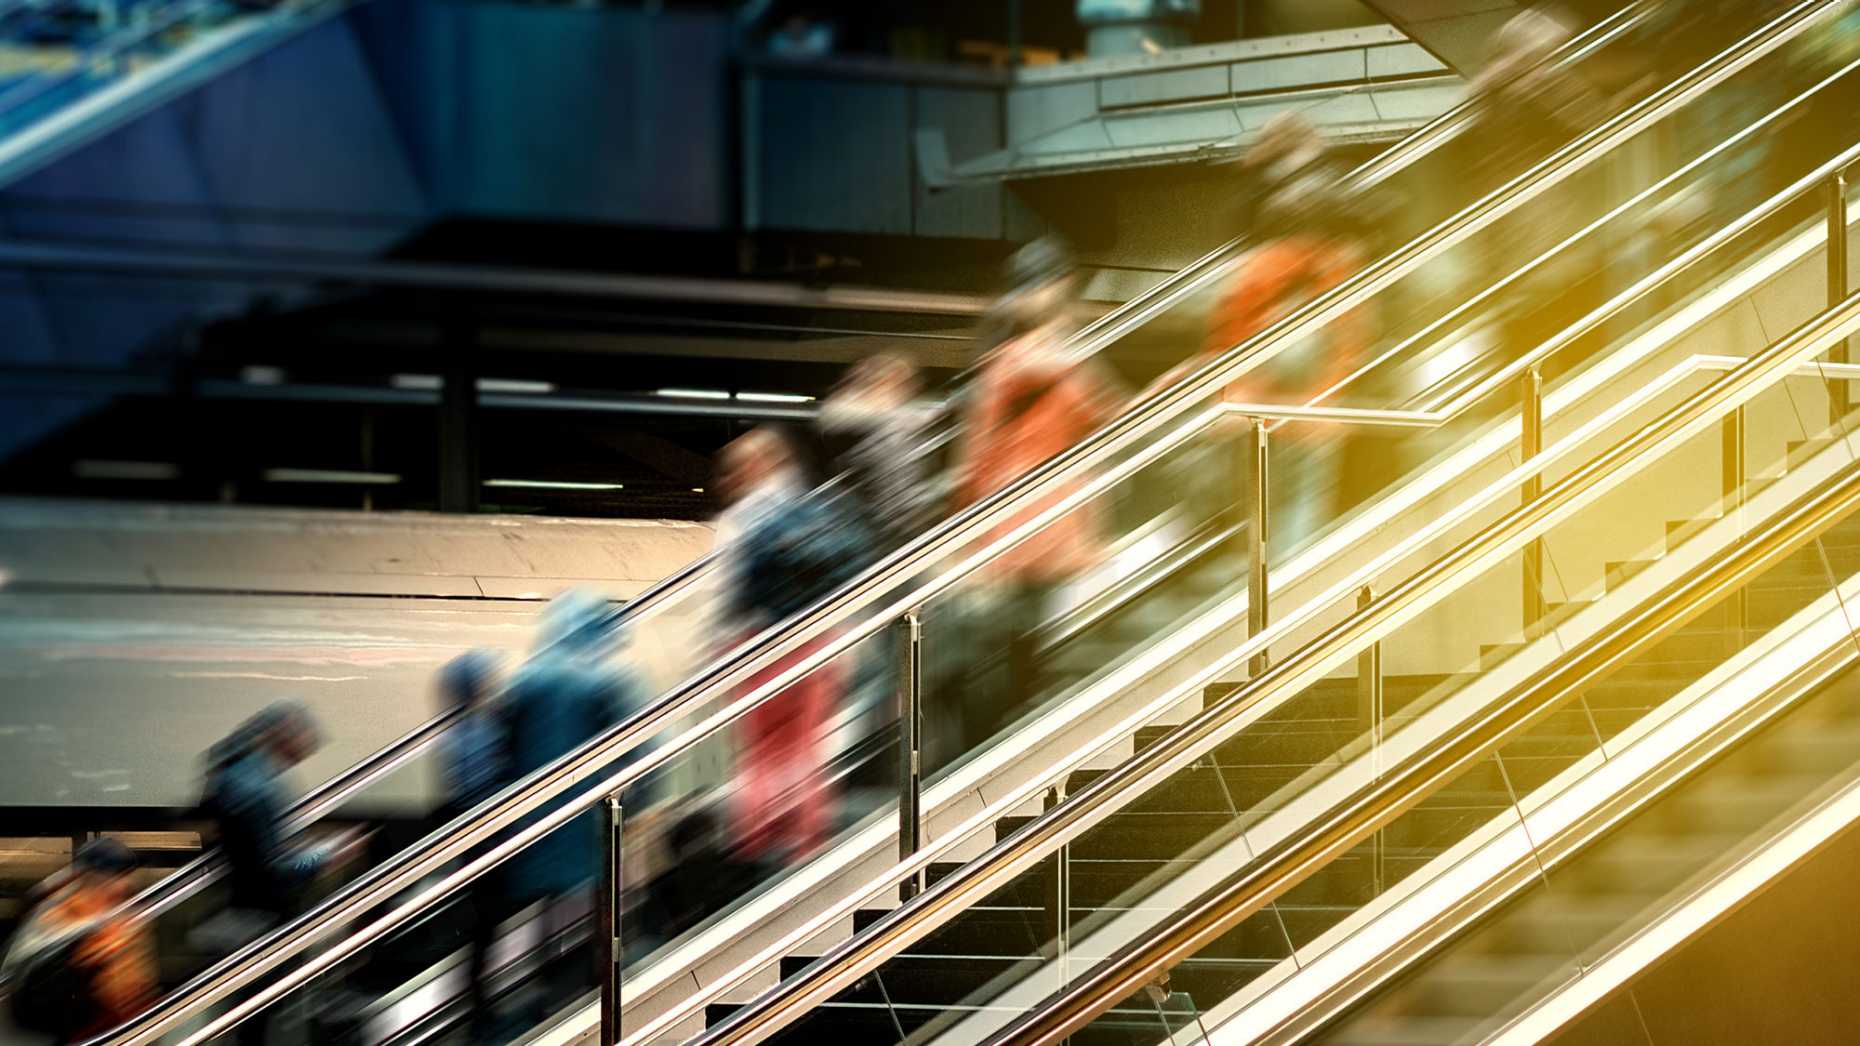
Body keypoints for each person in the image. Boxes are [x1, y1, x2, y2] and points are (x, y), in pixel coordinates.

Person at [951, 238, 1119, 751]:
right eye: (1056, 284)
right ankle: (1006, 724)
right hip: (1032, 505)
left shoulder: (1016, 356)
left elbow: (977, 447)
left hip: (1033, 506)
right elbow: (1094, 402)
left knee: (1022, 624)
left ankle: (1008, 722)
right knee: (1022, 625)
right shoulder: (1027, 357)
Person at [716, 427, 871, 864]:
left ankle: (757, 841)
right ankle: (806, 840)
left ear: (749, 468)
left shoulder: (740, 519)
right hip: (819, 644)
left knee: (759, 752)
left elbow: (725, 593)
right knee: (806, 747)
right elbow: (850, 576)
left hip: (755, 646)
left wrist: (712, 652)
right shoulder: (821, 509)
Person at [495, 589, 645, 1025]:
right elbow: (633, 745)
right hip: (588, 813)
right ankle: (597, 979)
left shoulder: (528, 677)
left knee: (549, 900)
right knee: (603, 892)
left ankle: (545, 981)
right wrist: (636, 794)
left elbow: (505, 746)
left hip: (536, 811)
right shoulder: (602, 679)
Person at [200, 701, 361, 1045]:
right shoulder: (257, 787)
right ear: (282, 735)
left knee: (247, 1019)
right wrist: (325, 855)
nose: (304, 751)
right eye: (302, 741)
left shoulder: (234, 772)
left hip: (242, 911)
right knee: (257, 1020)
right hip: (264, 921)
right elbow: (270, 868)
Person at [2, 839, 155, 1043]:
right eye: (120, 880)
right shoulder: (92, 931)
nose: (126, 888)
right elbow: (125, 994)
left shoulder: (47, 908)